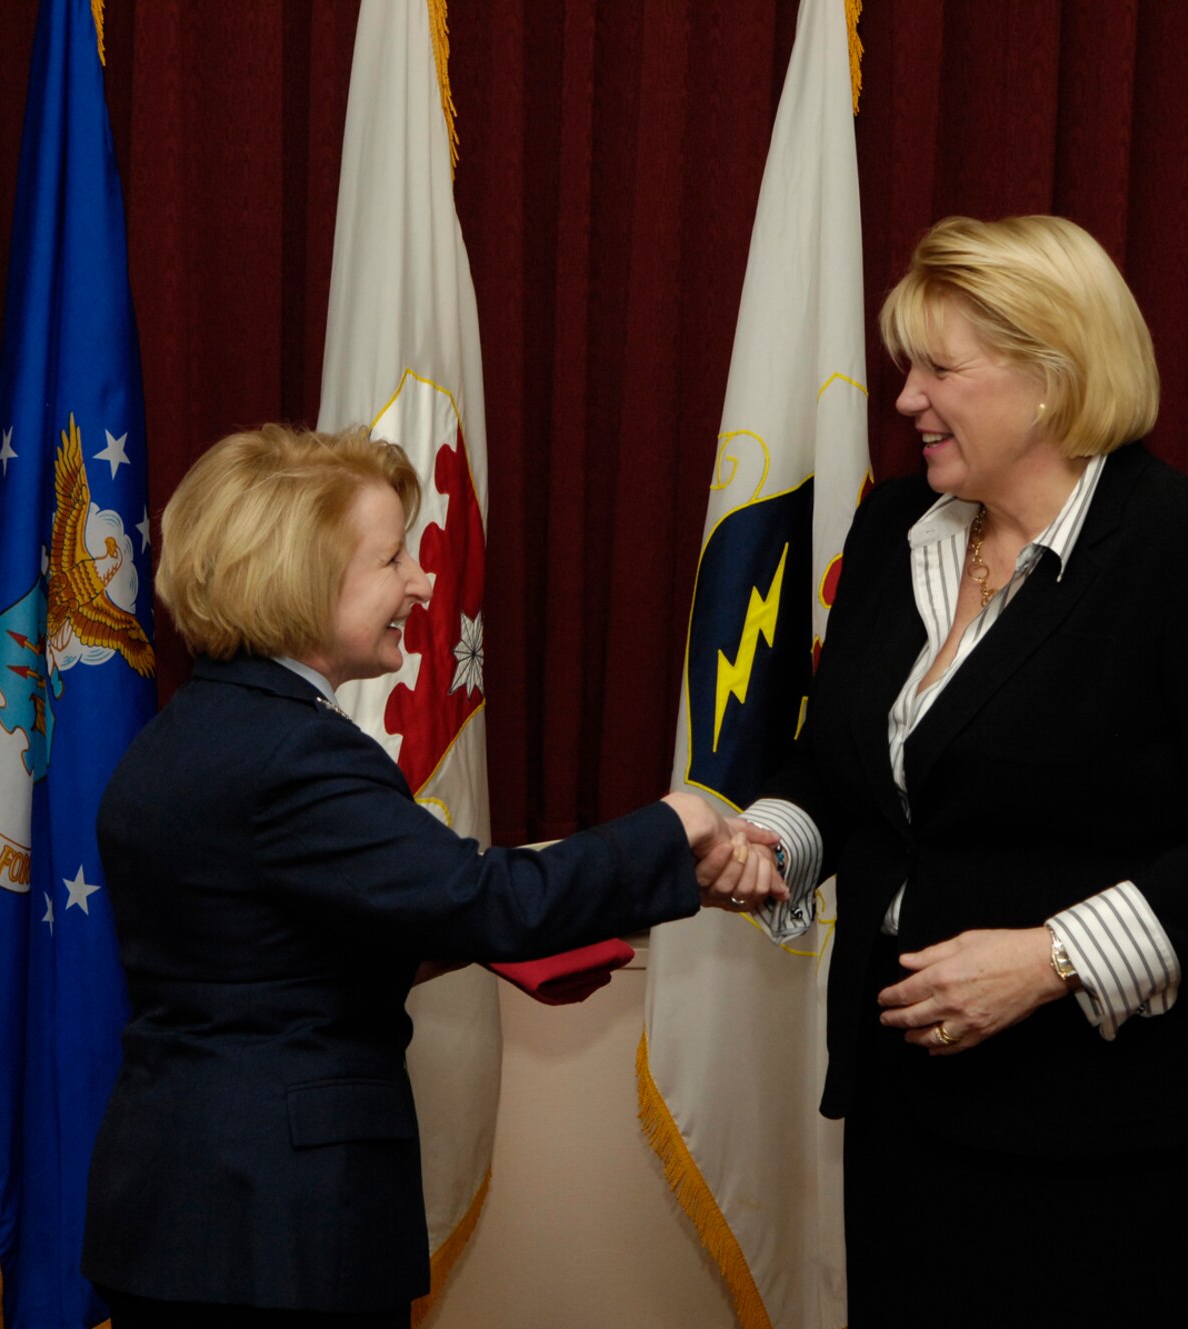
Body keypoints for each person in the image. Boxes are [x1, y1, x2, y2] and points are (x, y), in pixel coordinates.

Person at [741, 215, 1188, 1326]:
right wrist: (772, 838)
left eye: (937, 369)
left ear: (1051, 379)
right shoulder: (896, 530)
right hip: (906, 1105)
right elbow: (845, 769)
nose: (907, 399)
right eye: (903, 368)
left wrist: (1049, 959)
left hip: (1114, 1127)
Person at [81, 422, 782, 1328]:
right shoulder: (299, 754)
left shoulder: (176, 741)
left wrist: (665, 877)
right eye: (390, 559)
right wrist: (677, 820)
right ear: (300, 576)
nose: (420, 581)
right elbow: (491, 903)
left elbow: (278, 954)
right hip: (277, 1230)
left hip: (186, 1213)